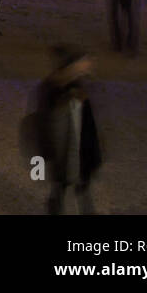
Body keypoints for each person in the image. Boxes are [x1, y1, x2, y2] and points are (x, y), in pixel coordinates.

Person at [33, 46, 102, 214]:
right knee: (60, 189)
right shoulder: (51, 90)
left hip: (80, 155)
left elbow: (89, 127)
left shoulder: (80, 91)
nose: (86, 69)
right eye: (81, 66)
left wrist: (95, 156)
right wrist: (43, 158)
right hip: (61, 155)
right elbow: (42, 127)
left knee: (81, 191)